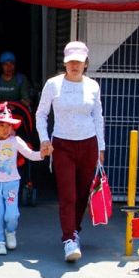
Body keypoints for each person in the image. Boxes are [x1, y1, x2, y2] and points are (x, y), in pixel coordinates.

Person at [35, 41, 106, 262]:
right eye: (70, 62)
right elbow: (41, 115)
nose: (74, 65)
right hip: (62, 145)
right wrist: (44, 139)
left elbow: (98, 117)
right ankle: (68, 239)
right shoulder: (53, 85)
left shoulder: (93, 86)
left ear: (86, 63)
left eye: (79, 61)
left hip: (88, 144)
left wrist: (101, 148)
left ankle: (75, 231)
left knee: (83, 194)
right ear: (64, 63)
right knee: (68, 194)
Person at [0, 102, 51, 255]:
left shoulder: (15, 141)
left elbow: (30, 154)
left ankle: (10, 231)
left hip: (11, 184)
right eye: (2, 125)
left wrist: (42, 154)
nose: (6, 129)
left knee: (12, 214)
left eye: (8, 125)